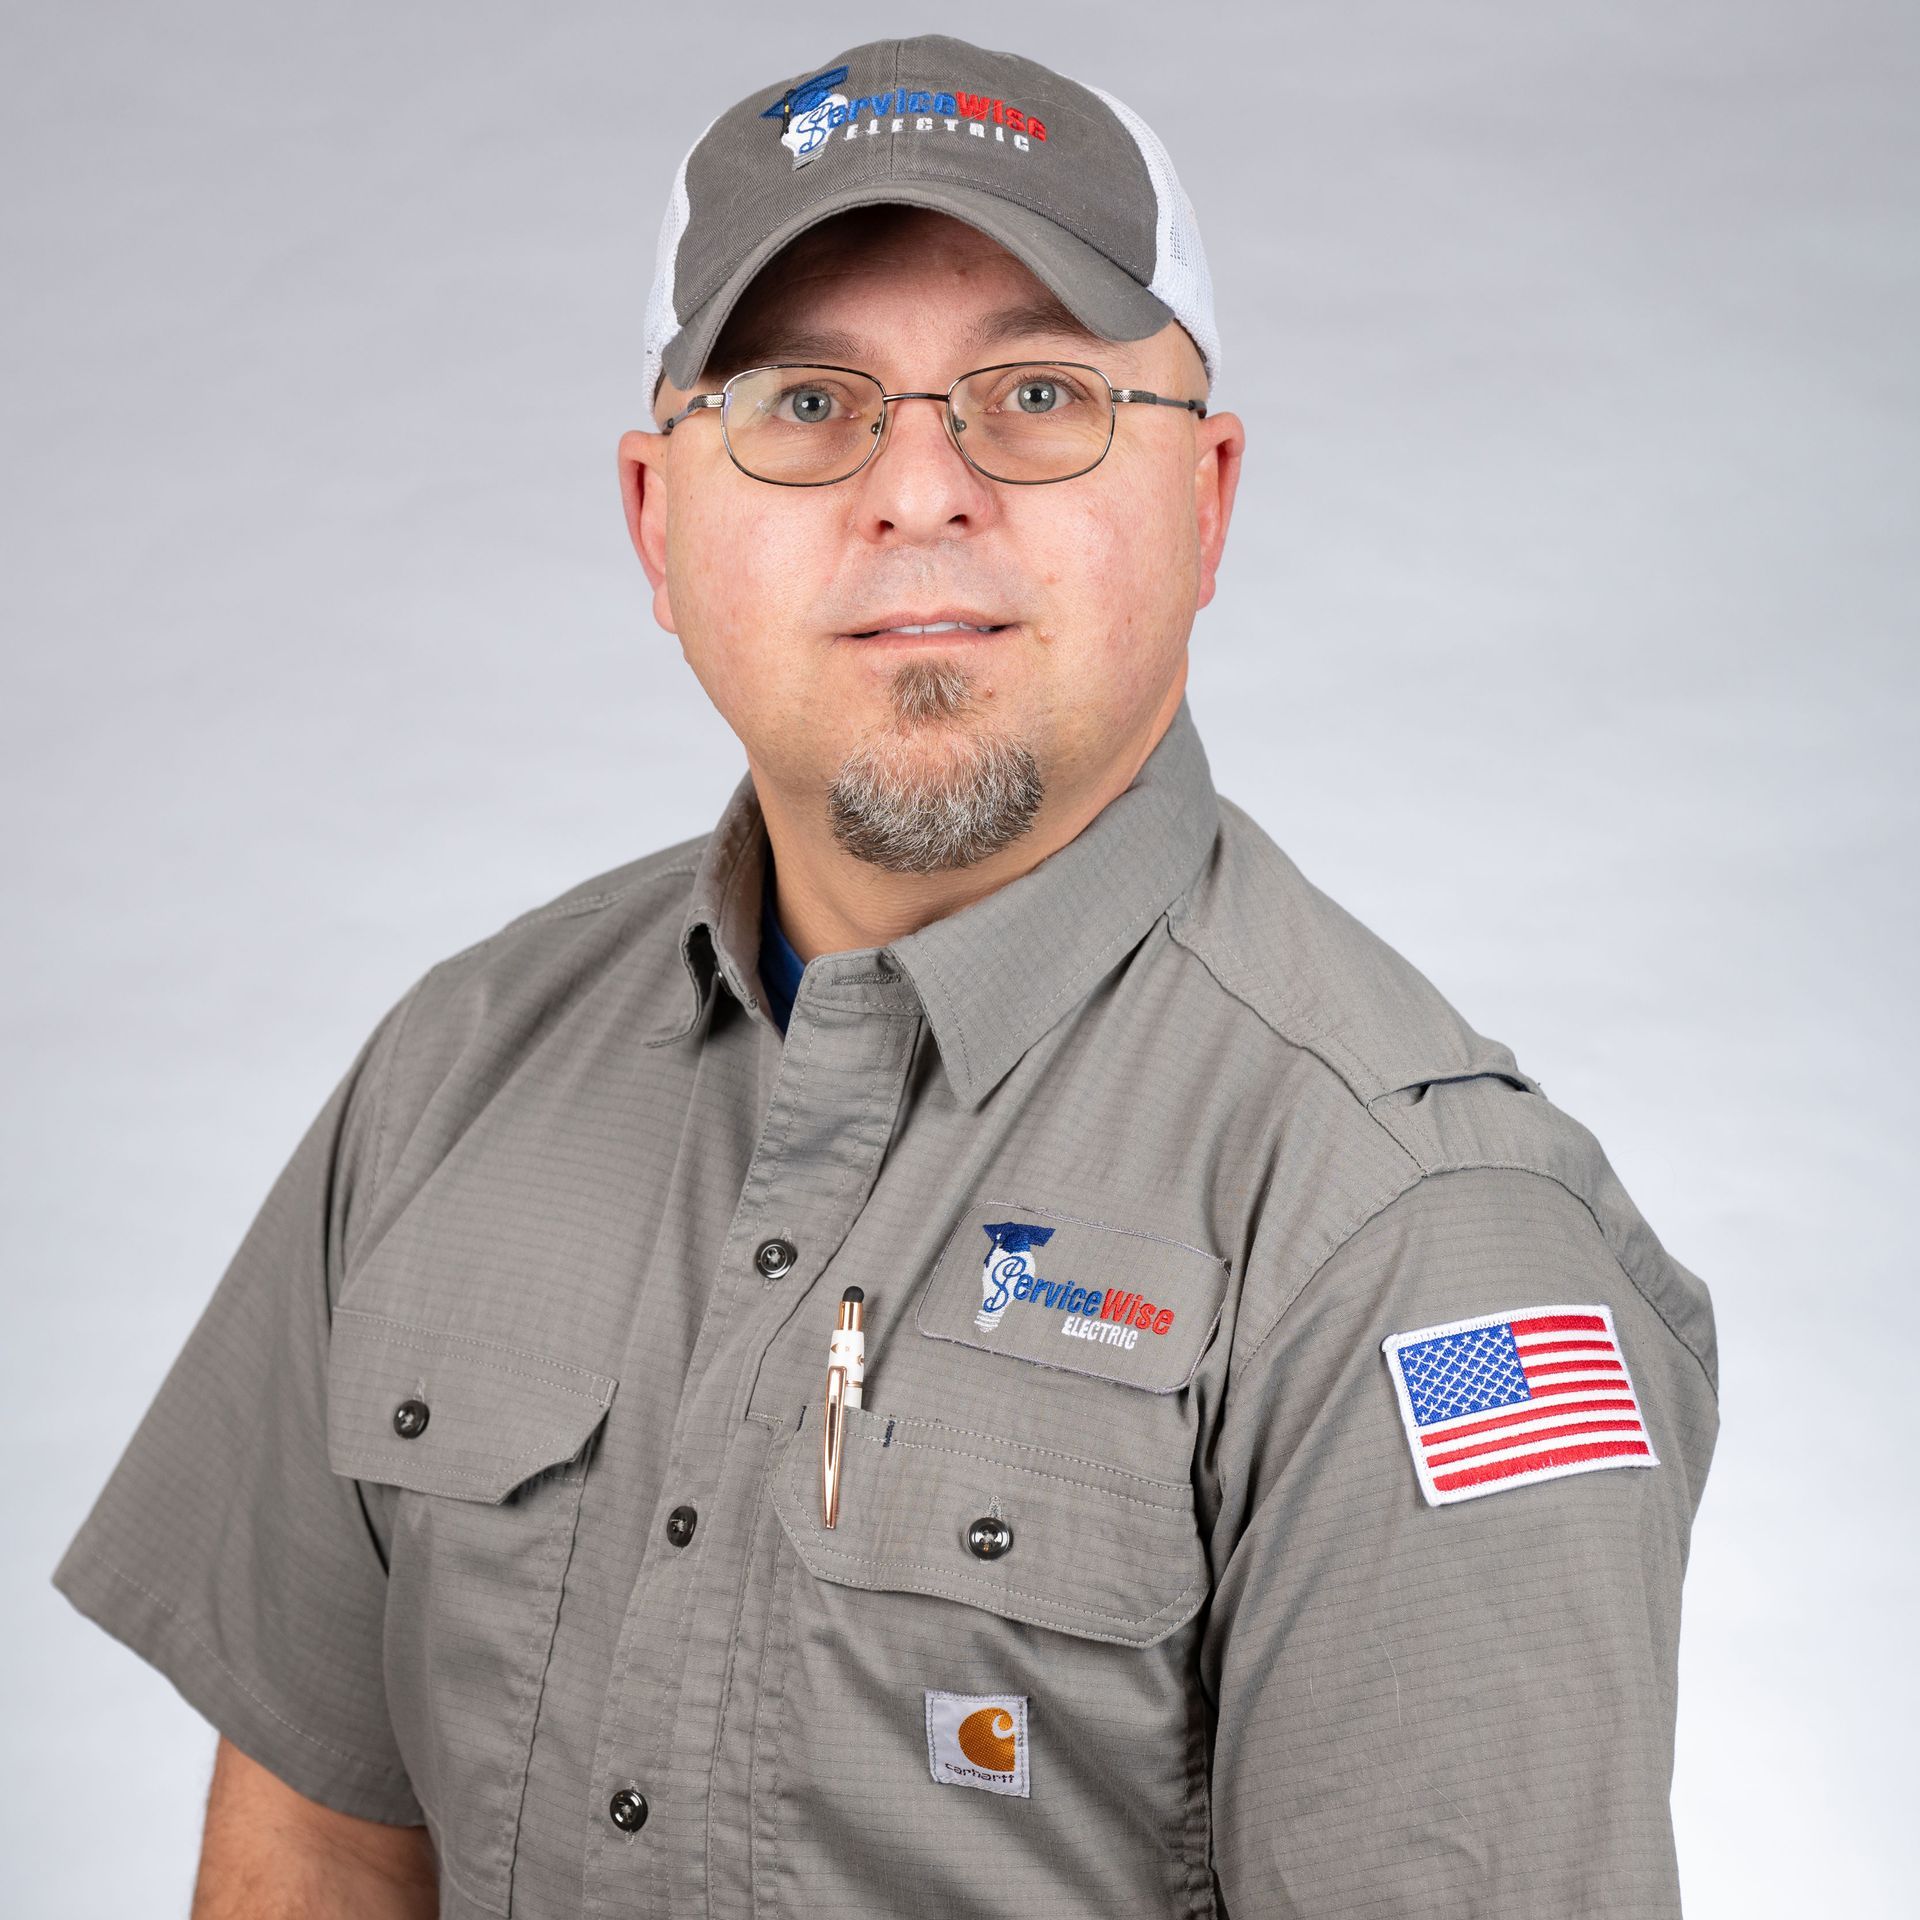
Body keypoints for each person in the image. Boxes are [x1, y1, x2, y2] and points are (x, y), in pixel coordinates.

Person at [53, 32, 1719, 1920]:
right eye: (807, 403)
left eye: (1033, 395)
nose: (918, 489)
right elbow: (319, 1845)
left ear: (1210, 501)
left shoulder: (1416, 1236)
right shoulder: (456, 1071)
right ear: (656, 523)